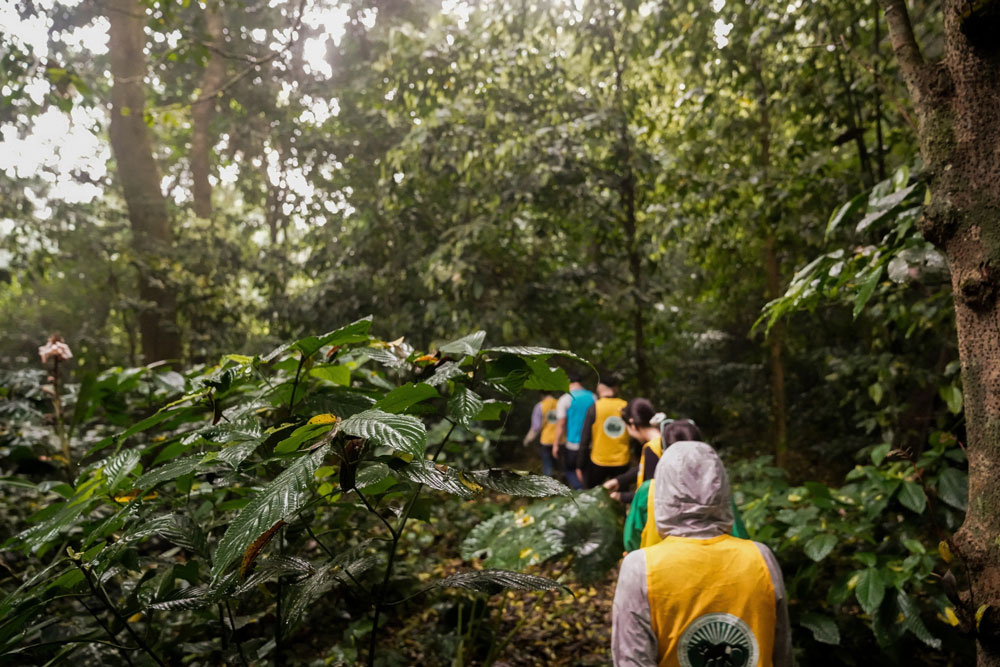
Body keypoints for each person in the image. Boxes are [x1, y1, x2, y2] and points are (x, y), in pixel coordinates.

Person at [612, 441, 792, 667]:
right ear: (722, 490)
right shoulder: (761, 558)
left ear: (663, 494)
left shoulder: (640, 567)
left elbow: (631, 661)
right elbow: (782, 655)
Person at [603, 398, 662, 504]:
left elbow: (652, 494)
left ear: (633, 424)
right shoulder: (664, 437)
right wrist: (620, 480)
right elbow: (647, 466)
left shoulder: (652, 449)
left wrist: (622, 497)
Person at [577, 376, 630, 488]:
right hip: (622, 460)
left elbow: (585, 439)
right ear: (616, 388)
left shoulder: (594, 407)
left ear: (599, 388)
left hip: (599, 460)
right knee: (621, 496)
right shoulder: (626, 406)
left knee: (592, 494)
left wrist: (580, 465)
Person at [551, 375, 596, 490]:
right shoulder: (593, 397)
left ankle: (580, 491)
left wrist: (555, 444)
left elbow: (561, 424)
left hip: (573, 445)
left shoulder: (565, 399)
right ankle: (587, 492)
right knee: (586, 472)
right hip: (591, 445)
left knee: (570, 470)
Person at [522, 392, 559, 477]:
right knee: (560, 466)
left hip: (546, 440)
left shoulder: (540, 406)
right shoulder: (559, 403)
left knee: (547, 465)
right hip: (560, 440)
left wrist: (527, 440)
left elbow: (536, 427)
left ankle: (549, 485)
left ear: (542, 395)